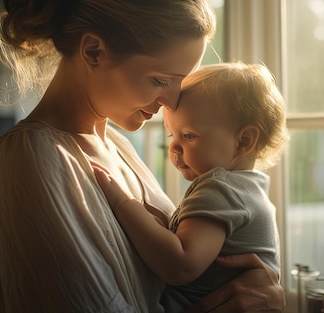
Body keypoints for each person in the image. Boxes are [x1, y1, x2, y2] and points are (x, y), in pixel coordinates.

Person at [0, 1, 285, 312]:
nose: (172, 101)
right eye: (161, 80)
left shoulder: (119, 147)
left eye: (179, 82)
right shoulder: (31, 158)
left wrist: (267, 298)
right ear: (94, 51)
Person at [93, 62, 290, 312]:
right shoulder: (248, 189)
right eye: (171, 135)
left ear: (244, 141)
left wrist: (123, 202)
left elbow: (181, 264)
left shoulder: (222, 189)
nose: (174, 148)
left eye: (188, 136)